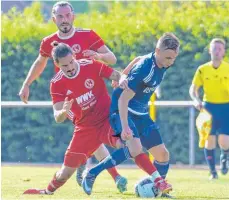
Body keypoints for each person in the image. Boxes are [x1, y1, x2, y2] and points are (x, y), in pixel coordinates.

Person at [18, 1, 126, 191]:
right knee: (91, 130)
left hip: (94, 91)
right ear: (54, 19)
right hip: (70, 99)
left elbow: (112, 59)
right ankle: (109, 173)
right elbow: (40, 63)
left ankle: (92, 165)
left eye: (67, 15)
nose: (64, 19)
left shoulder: (87, 35)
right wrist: (27, 83)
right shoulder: (48, 42)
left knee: (95, 133)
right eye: (60, 16)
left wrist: (99, 57)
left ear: (73, 16)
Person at [82, 32, 180, 196]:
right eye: (169, 57)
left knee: (163, 155)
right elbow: (122, 100)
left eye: (174, 57)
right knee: (134, 148)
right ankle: (92, 173)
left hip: (140, 112)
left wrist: (122, 74)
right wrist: (125, 127)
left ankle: (158, 189)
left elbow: (138, 57)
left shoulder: (162, 62)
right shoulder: (144, 70)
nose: (171, 61)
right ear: (157, 51)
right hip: (123, 109)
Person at [189, 38, 229, 180]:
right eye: (214, 48)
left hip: (226, 107)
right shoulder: (202, 69)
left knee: (224, 141)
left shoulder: (227, 68)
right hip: (208, 108)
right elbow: (193, 88)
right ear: (210, 50)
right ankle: (213, 172)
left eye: (220, 48)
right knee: (209, 140)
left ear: (224, 51)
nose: (217, 51)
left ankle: (225, 156)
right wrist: (196, 100)